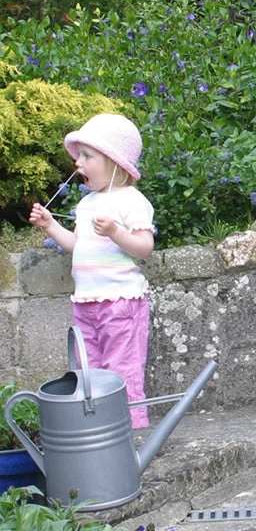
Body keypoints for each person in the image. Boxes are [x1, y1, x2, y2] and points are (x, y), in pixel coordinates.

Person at [29, 113, 155, 429]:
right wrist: (50, 224)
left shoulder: (132, 201)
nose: (78, 164)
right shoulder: (87, 205)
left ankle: (131, 428)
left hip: (120, 301)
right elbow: (77, 245)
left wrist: (115, 232)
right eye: (79, 156)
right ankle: (100, 428)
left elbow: (144, 248)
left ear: (114, 162)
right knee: (91, 370)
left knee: (122, 367)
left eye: (88, 156)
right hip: (86, 302)